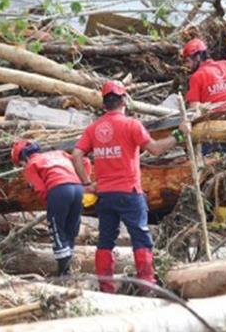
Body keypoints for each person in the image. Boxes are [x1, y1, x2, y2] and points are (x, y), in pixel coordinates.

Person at [71, 80, 190, 293]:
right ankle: (147, 285)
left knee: (105, 240)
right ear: (124, 100)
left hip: (105, 195)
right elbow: (154, 149)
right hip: (129, 192)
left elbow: (77, 154)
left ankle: (106, 287)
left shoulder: (94, 128)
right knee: (140, 237)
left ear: (104, 104)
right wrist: (179, 135)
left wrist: (87, 183)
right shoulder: (131, 125)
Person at [11, 140, 91, 276]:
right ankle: (69, 265)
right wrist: (85, 180)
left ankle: (63, 272)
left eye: (20, 164)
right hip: (78, 189)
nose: (22, 166)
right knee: (70, 229)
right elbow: (85, 161)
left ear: (23, 158)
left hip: (58, 190)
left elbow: (41, 189)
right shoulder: (59, 153)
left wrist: (50, 201)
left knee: (56, 229)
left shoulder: (31, 165)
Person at [182, 34, 226, 156]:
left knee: (210, 165)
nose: (187, 66)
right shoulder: (225, 66)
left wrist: (181, 132)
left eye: (188, 61)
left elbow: (193, 111)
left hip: (216, 131)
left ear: (197, 57)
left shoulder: (197, 77)